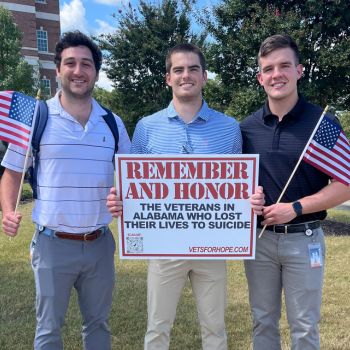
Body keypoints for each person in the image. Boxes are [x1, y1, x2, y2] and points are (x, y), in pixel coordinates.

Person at [107, 43, 263, 350]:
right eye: (178, 69)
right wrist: (121, 202)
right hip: (164, 249)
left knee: (215, 329)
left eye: (193, 69)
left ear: (204, 76)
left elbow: (237, 188)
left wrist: (251, 201)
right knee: (157, 329)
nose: (186, 75)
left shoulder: (229, 128)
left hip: (212, 247)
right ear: (168, 78)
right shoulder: (147, 127)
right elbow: (132, 186)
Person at [1, 31, 131, 350]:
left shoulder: (113, 123)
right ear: (57, 70)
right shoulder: (36, 119)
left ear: (96, 73)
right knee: (48, 330)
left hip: (100, 244)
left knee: (98, 325)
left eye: (86, 64)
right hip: (52, 244)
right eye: (70, 63)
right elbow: (13, 173)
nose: (78, 70)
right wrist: (7, 211)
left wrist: (124, 197)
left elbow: (131, 178)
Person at [241, 34, 350, 350]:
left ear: (299, 70)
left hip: (304, 240)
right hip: (260, 243)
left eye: (284, 65)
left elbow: (345, 184)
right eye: (269, 68)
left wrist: (296, 207)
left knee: (304, 326)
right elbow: (235, 184)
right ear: (260, 77)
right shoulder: (246, 128)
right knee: (262, 322)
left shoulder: (323, 124)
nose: (277, 74)